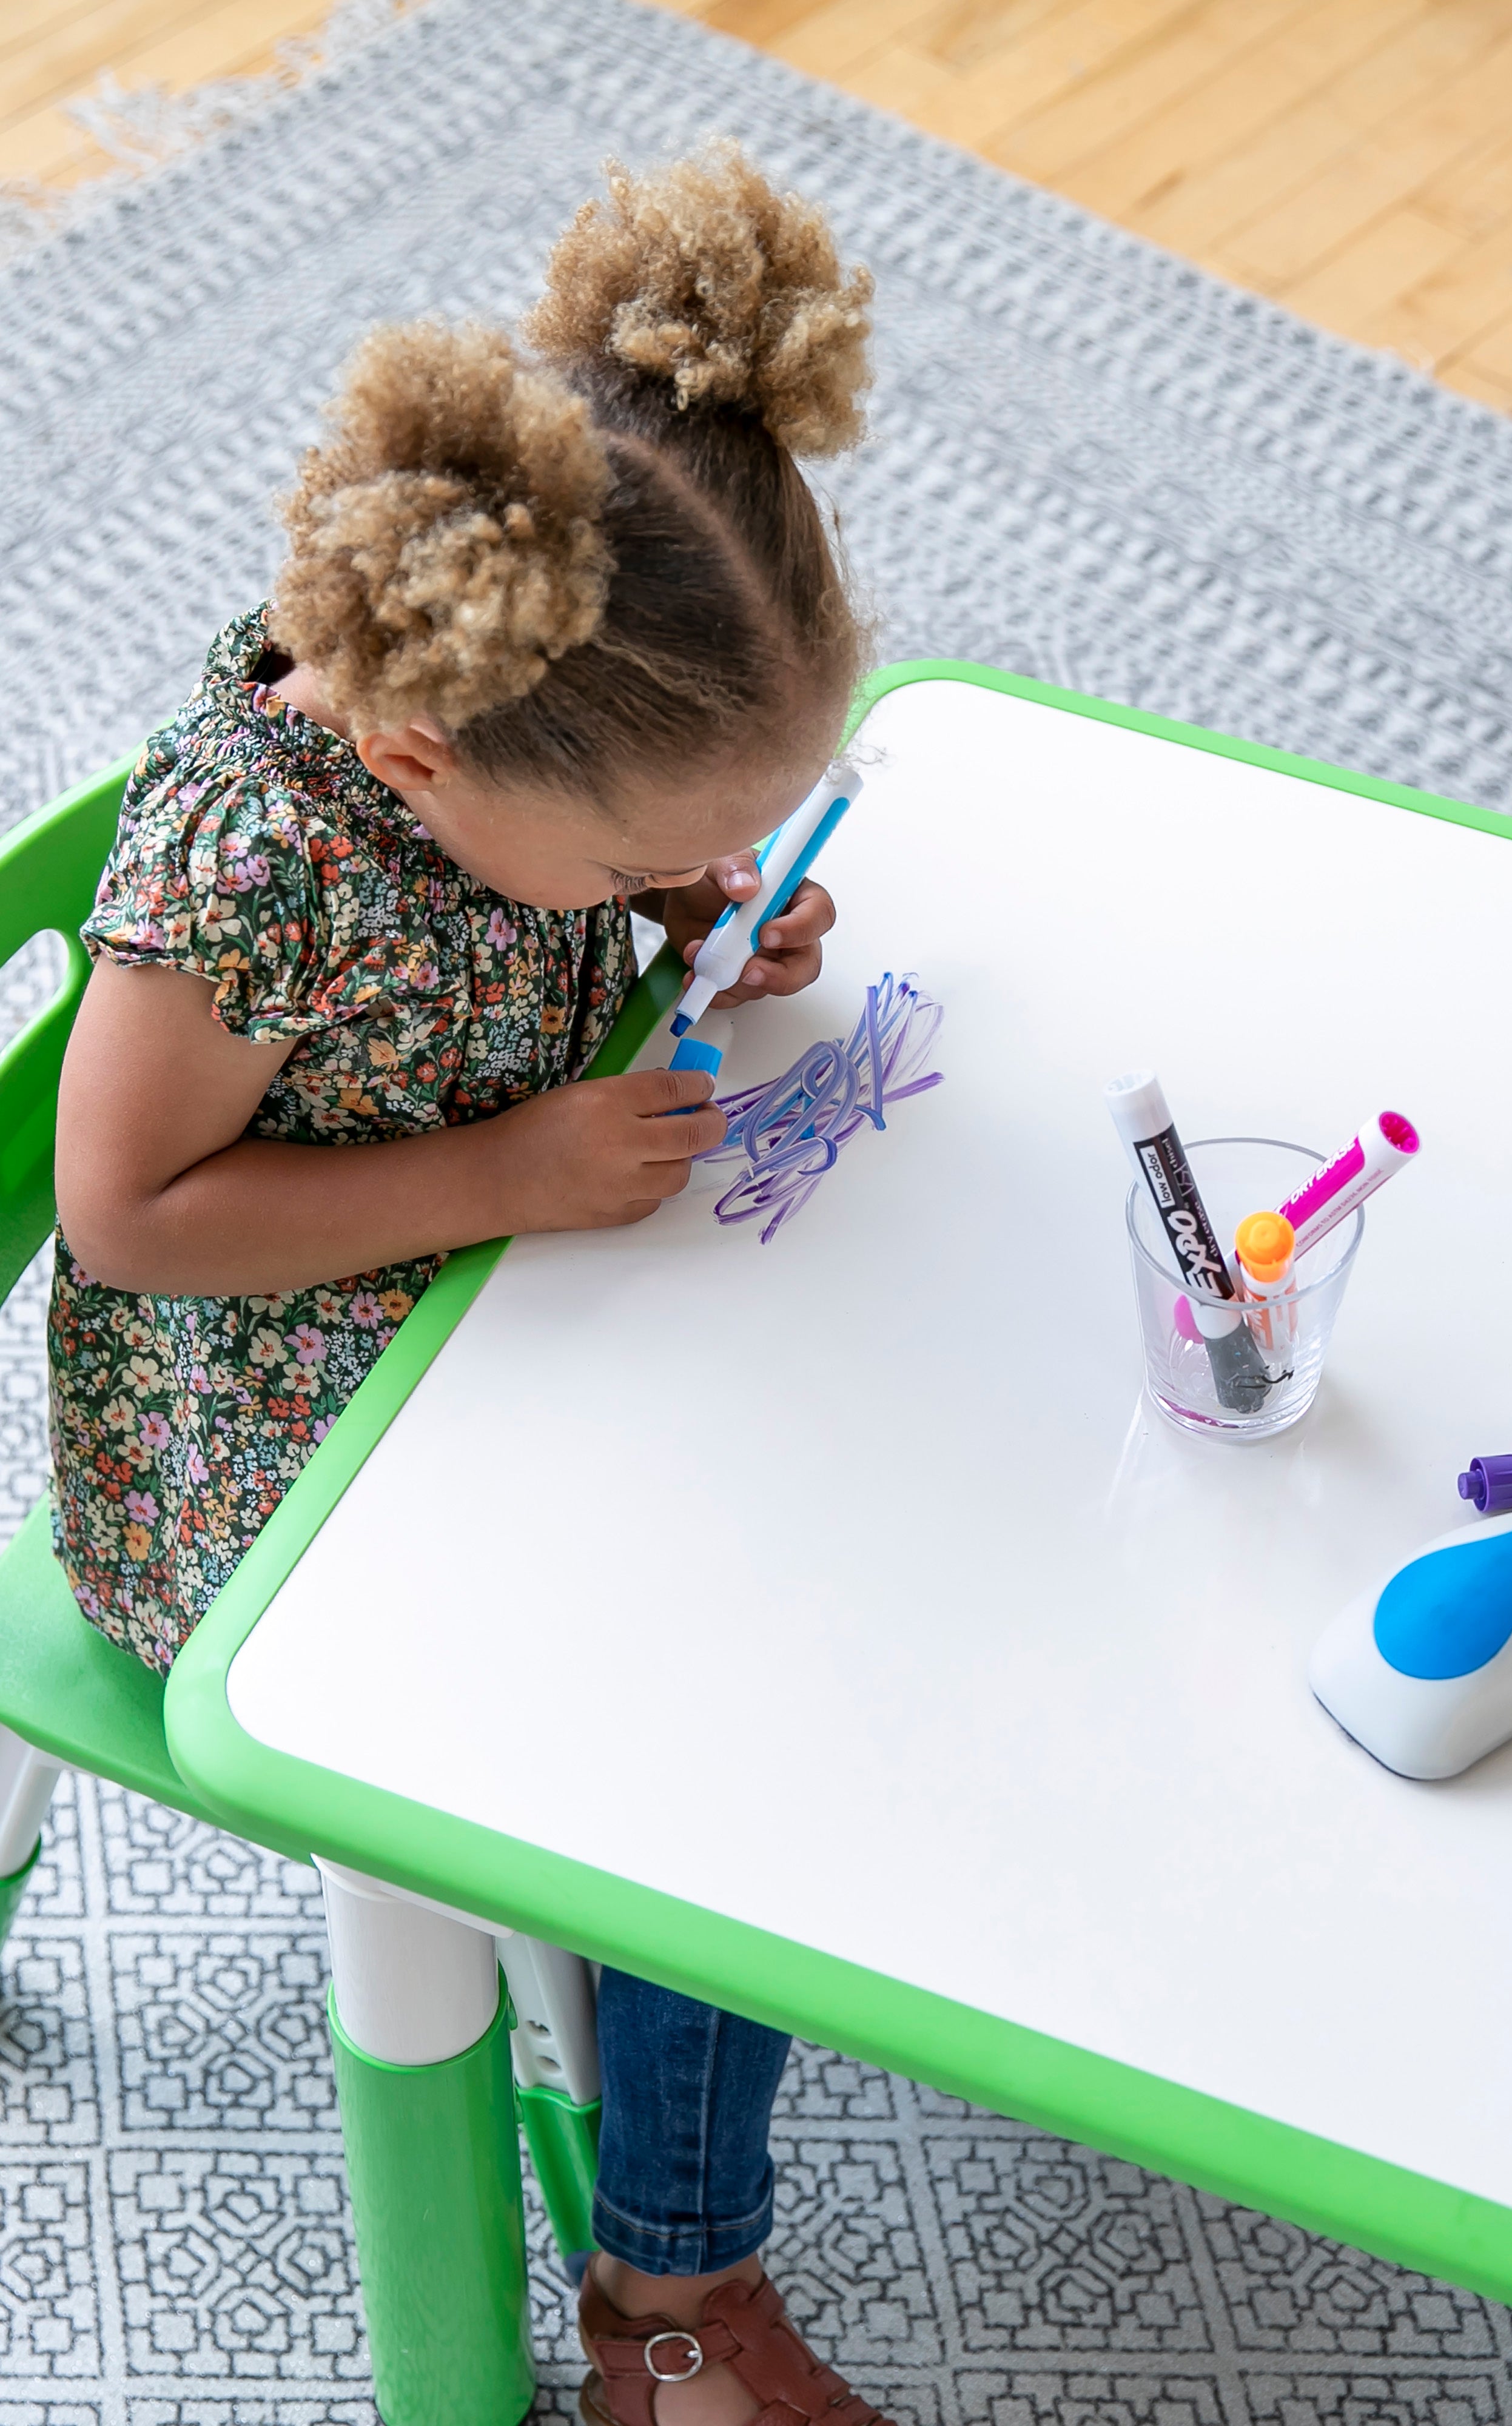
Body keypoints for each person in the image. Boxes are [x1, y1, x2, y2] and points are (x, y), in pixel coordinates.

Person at [47, 143, 889, 2426]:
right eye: (653, 853)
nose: (695, 877)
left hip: (491, 1325)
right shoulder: (251, 858)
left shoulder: (488, 739)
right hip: (261, 1464)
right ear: (422, 749)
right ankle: (670, 2297)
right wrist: (507, 1167)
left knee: (834, 1487)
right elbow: (122, 1215)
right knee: (705, 1715)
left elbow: (547, 883)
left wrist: (688, 920)